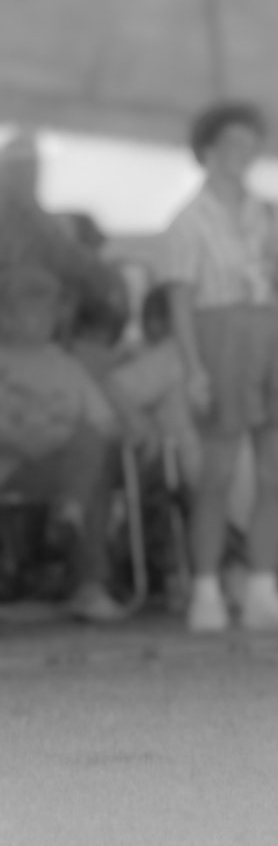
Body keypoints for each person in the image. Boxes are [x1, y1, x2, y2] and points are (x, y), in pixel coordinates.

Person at [160, 101, 278, 634]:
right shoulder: (188, 222)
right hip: (219, 329)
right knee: (218, 470)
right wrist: (194, 367)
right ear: (207, 152)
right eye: (231, 147)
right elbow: (180, 300)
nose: (242, 158)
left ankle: (262, 586)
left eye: (250, 148)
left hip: (269, 327)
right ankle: (205, 588)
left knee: (276, 468)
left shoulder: (266, 214)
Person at [0, 263, 128, 623]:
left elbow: (104, 421)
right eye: (28, 306)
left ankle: (88, 579)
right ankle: (68, 511)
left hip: (53, 465)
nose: (39, 316)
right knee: (87, 462)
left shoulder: (65, 364)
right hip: (6, 459)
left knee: (94, 456)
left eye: (46, 307)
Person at [0, 132, 123, 322]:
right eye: (22, 169)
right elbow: (98, 278)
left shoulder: (46, 228)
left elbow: (96, 276)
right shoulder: (45, 228)